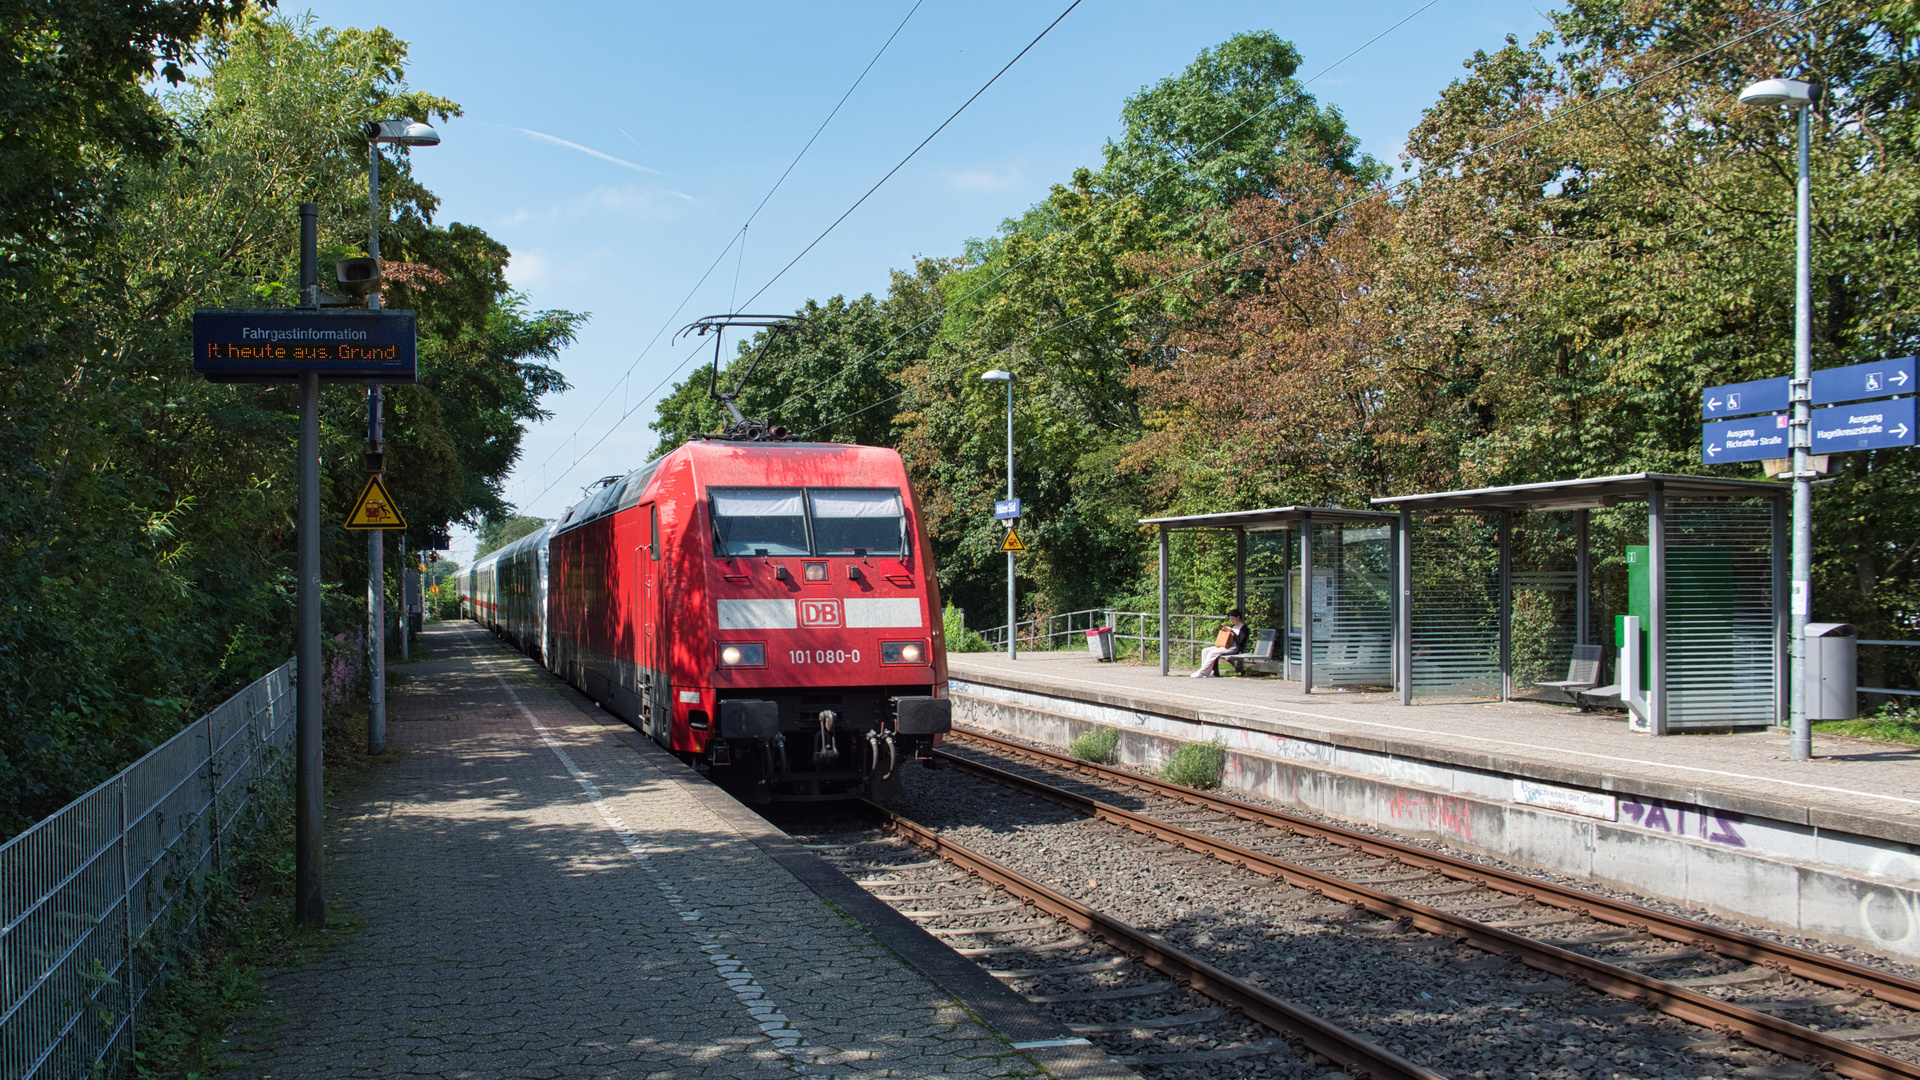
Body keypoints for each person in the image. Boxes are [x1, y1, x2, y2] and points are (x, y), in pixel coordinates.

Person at [1191, 609, 1249, 678]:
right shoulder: (1233, 626)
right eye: (1231, 619)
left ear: (1238, 617)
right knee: (1205, 651)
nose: (1232, 621)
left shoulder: (1243, 628)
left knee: (1213, 653)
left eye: (1233, 618)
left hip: (1234, 648)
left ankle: (1202, 672)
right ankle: (1210, 672)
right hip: (1225, 645)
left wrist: (1232, 632)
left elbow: (1240, 642)